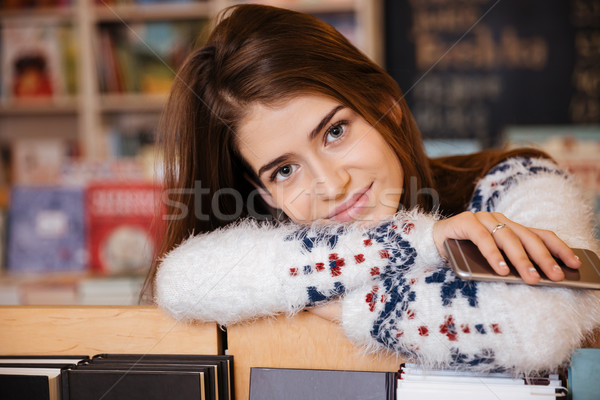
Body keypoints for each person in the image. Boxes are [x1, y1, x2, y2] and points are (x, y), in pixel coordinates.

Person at [144, 4, 600, 374]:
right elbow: (182, 279)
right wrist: (424, 241)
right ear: (263, 193)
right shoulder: (273, 236)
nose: (330, 184)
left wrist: (331, 302)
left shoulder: (517, 181)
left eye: (335, 132)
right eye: (284, 171)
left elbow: (539, 326)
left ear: (385, 107)